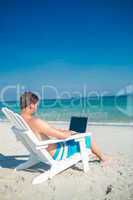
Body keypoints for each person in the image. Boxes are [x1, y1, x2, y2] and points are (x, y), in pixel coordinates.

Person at [20, 91, 110, 162]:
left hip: (43, 150)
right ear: (31, 105)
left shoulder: (21, 120)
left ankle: (91, 152)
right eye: (36, 105)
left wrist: (62, 131)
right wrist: (68, 133)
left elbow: (47, 131)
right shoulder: (35, 121)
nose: (36, 108)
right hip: (56, 153)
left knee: (73, 136)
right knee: (86, 137)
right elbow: (63, 136)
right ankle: (103, 158)